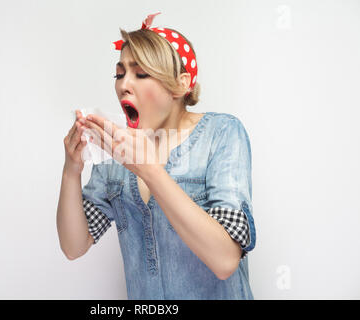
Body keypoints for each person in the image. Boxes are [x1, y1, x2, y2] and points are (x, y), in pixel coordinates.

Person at [57, 12, 257, 300]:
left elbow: (225, 261)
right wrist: (71, 170)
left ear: (180, 84)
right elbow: (73, 246)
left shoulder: (222, 134)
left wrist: (149, 170)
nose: (124, 84)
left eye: (140, 74)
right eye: (119, 73)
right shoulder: (116, 151)